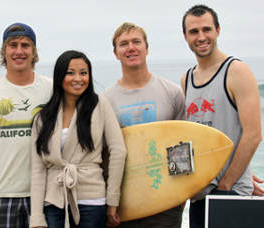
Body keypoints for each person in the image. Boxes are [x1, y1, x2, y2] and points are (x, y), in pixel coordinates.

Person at [181, 4, 262, 228]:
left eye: (207, 29)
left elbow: (253, 134)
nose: (201, 37)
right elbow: (185, 139)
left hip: (231, 193)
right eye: (194, 31)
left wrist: (227, 184)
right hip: (198, 195)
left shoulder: (236, 71)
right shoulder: (186, 79)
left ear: (218, 31)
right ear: (185, 36)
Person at [30, 50, 127, 228]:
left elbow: (118, 151)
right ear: (59, 76)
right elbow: (37, 169)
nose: (78, 78)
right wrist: (36, 218)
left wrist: (113, 201)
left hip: (92, 199)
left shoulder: (100, 105)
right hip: (54, 201)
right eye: (70, 73)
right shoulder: (43, 118)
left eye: (83, 73)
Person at [102, 22, 186, 228]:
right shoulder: (105, 100)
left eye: (136, 42)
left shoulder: (172, 92)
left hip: (165, 201)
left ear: (146, 48)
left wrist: (181, 195)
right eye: (124, 44)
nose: (131, 48)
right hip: (124, 201)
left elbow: (182, 146)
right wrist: (109, 201)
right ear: (116, 53)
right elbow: (103, 154)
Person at [0, 22, 52, 227]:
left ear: (33, 51)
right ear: (4, 51)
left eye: (25, 45)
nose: (19, 51)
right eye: (13, 45)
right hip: (1, 193)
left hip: (44, 192)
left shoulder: (51, 89)